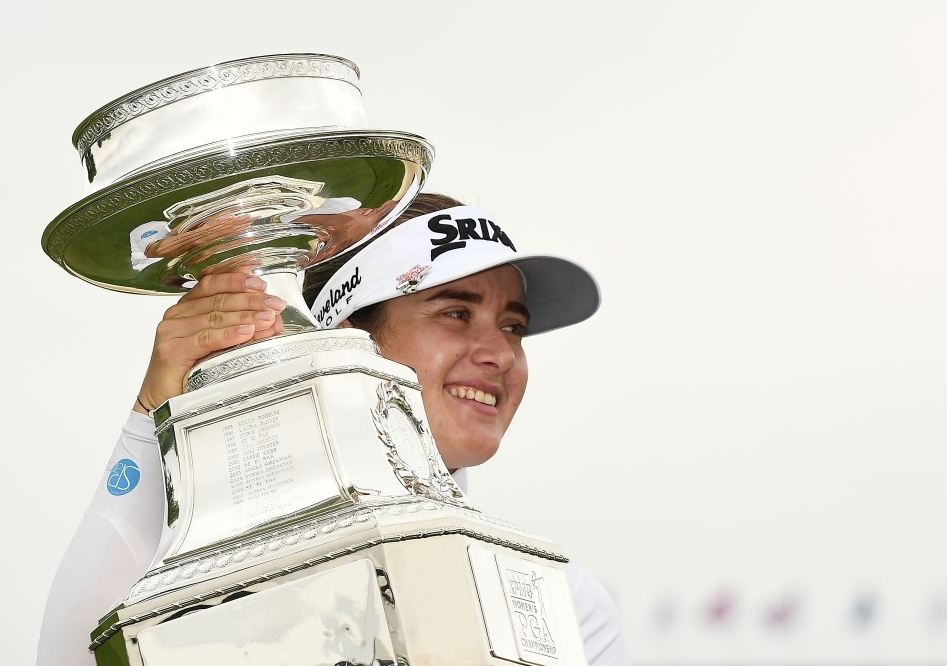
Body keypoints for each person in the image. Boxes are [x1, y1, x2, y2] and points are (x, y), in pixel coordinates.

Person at [37, 193, 629, 666]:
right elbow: (74, 654)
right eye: (456, 313)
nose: (499, 353)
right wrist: (153, 411)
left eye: (513, 327)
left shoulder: (560, 599)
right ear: (349, 339)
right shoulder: (221, 555)